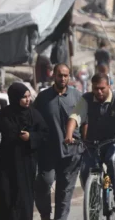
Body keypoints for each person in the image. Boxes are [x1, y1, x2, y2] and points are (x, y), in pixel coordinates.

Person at [64, 73, 115, 215]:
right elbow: (75, 117)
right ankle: (93, 195)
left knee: (113, 159)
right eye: (96, 88)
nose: (99, 92)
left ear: (109, 85)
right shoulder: (87, 99)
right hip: (93, 144)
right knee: (85, 171)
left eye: (102, 88)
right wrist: (69, 135)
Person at [0, 83, 49, 220]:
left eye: (29, 96)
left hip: (26, 162)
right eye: (24, 97)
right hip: (6, 162)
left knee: (24, 198)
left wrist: (31, 137)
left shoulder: (33, 115)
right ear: (15, 97)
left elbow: (45, 134)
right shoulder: (4, 114)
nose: (28, 100)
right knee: (4, 197)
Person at [32, 64, 83, 220]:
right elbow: (34, 120)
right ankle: (45, 215)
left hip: (72, 153)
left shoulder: (77, 96)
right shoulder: (43, 97)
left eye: (66, 75)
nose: (63, 79)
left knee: (64, 193)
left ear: (69, 76)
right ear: (53, 75)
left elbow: (86, 120)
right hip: (48, 152)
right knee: (42, 184)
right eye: (60, 75)